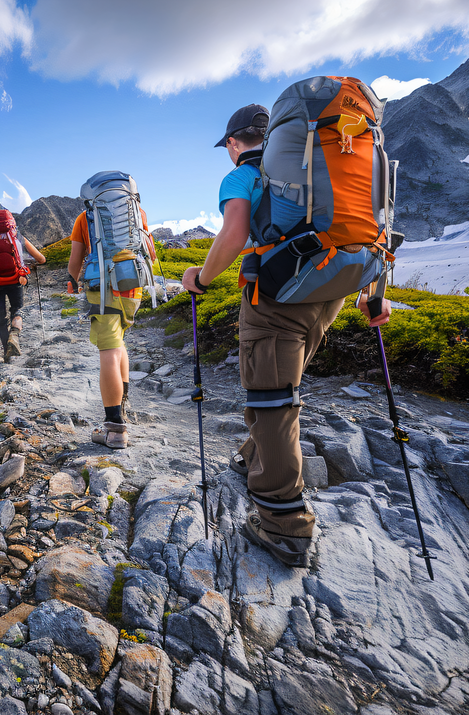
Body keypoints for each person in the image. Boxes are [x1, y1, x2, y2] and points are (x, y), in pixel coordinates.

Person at [182, 104, 391, 567]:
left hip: (278, 298)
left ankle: (284, 525)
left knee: (272, 397)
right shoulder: (319, 164)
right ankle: (254, 453)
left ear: (235, 143)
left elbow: (234, 234)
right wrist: (373, 293)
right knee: (282, 384)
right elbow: (373, 222)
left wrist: (201, 276)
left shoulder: (241, 174)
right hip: (333, 289)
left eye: (230, 146)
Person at [66, 195, 157, 450]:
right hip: (132, 288)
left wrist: (73, 281)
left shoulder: (85, 218)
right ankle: (122, 407)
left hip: (103, 288)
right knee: (120, 344)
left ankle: (115, 428)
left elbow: (76, 259)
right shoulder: (137, 213)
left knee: (108, 350)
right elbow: (148, 249)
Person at [0, 209, 47, 363]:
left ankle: (7, 354)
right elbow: (41, 259)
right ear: (11, 224)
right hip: (17, 279)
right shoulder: (17, 237)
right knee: (17, 310)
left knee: (1, 318)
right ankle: (15, 335)